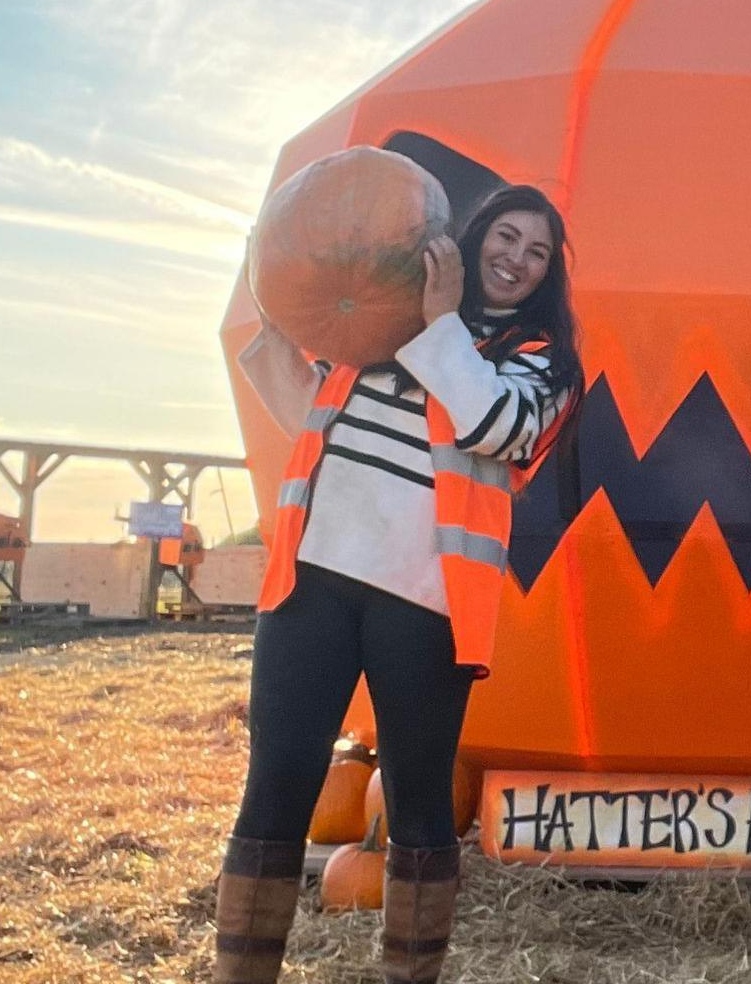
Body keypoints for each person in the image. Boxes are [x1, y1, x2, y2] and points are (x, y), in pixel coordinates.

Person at [214, 183, 583, 984]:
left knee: (417, 803)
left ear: (549, 273)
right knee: (276, 784)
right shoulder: (381, 323)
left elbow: (496, 427)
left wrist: (442, 321)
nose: (516, 258)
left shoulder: (542, 361)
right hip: (314, 578)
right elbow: (316, 420)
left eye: (538, 251)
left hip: (425, 600)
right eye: (507, 237)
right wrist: (273, 274)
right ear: (470, 236)